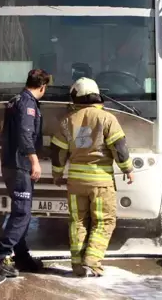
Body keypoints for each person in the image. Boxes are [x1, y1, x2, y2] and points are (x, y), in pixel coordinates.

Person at [50, 77, 135, 277]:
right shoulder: (107, 118)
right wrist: (128, 169)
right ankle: (92, 262)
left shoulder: (67, 121)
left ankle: (78, 265)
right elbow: (119, 147)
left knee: (77, 222)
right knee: (104, 221)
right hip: (101, 182)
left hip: (75, 182)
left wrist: (57, 174)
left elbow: (57, 151)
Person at [0, 69, 51, 278]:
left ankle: (22, 255)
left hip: (11, 164)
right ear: (42, 87)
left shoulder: (16, 100)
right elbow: (25, 136)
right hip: (19, 165)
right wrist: (35, 161)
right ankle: (2, 254)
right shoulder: (27, 104)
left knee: (21, 211)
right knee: (22, 212)